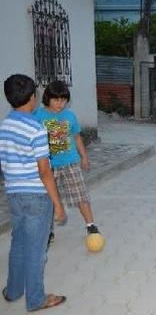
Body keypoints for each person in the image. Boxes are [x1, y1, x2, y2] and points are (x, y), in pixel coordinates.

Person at [0, 74, 66, 311]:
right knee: (37, 250)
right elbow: (44, 170)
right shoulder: (36, 128)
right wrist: (57, 204)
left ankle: (13, 290)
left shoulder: (5, 125)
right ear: (32, 98)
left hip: (14, 194)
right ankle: (36, 299)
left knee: (19, 242)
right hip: (37, 196)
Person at [34, 80, 101, 239]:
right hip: (48, 166)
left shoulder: (70, 116)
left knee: (80, 195)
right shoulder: (38, 115)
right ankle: (48, 231)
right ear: (47, 98)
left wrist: (84, 157)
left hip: (70, 162)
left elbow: (77, 137)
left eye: (64, 100)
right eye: (56, 100)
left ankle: (90, 225)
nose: (60, 104)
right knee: (48, 199)